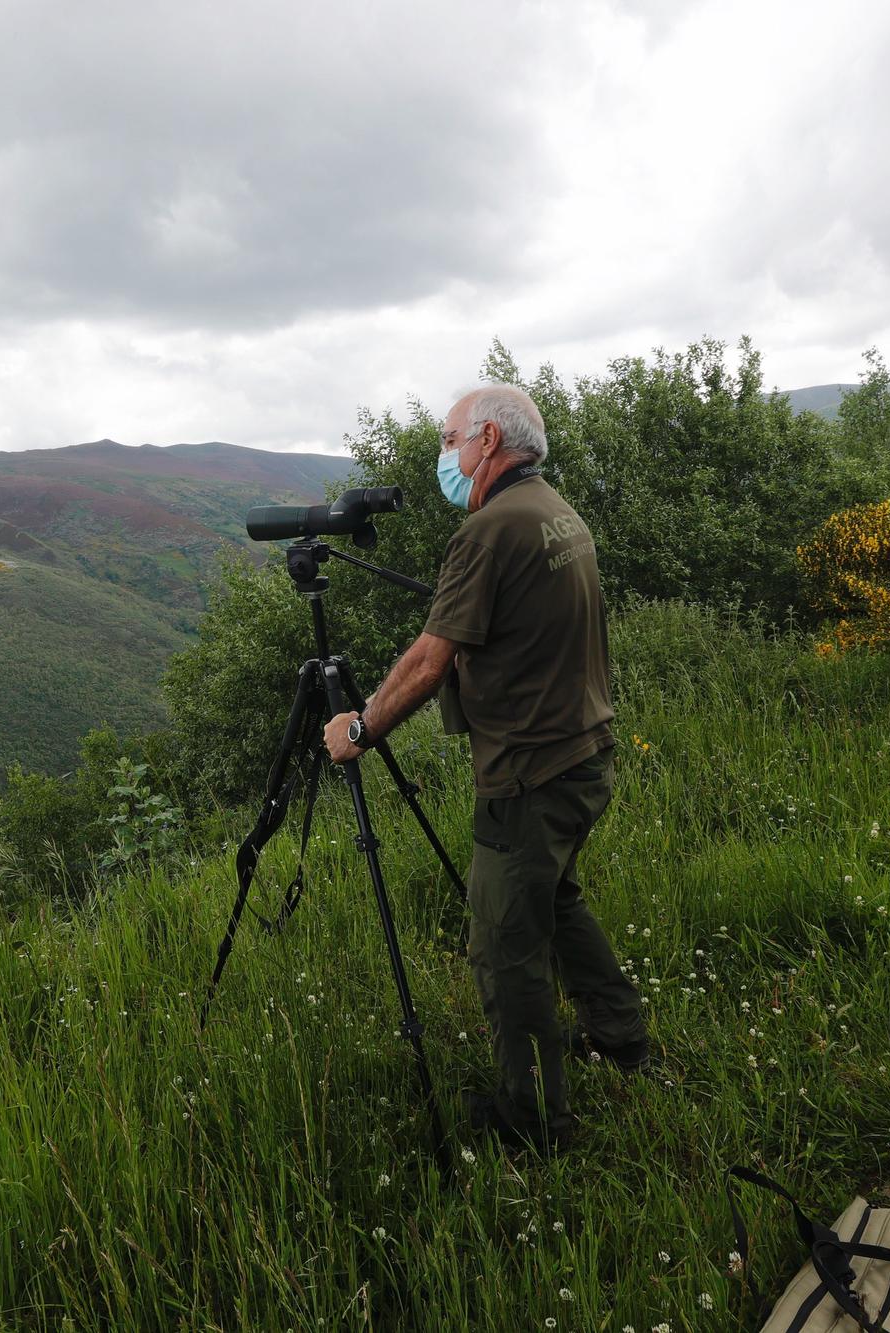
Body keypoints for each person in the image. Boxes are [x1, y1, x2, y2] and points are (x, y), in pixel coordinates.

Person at [323, 384, 649, 1153]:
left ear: (490, 441)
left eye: (448, 439)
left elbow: (431, 661)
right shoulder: (554, 511)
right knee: (556, 901)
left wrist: (361, 726)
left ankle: (536, 1121)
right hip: (584, 753)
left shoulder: (489, 530)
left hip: (530, 773)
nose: (446, 454)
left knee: (505, 946)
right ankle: (621, 1035)